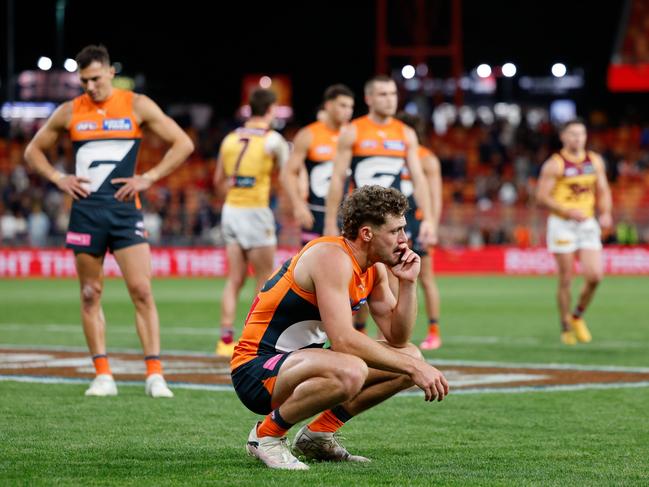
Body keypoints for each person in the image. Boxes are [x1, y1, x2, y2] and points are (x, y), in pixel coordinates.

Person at [231, 185, 449, 470]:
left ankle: (318, 434)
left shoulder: (374, 268)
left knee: (410, 355)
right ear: (367, 234)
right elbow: (344, 341)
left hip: (300, 365)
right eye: (395, 231)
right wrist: (414, 370)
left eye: (403, 229)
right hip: (257, 370)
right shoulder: (331, 256)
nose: (404, 239)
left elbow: (398, 337)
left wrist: (408, 283)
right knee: (354, 369)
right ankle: (266, 436)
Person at [24, 44, 194, 397]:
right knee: (90, 293)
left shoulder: (136, 104)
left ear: (110, 73)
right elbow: (32, 151)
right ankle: (102, 374)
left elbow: (182, 143)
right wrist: (58, 179)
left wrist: (148, 177)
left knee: (142, 291)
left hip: (124, 211)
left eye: (96, 78)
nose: (90, 86)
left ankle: (154, 374)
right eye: (84, 80)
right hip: (86, 213)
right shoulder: (70, 111)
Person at [323, 75, 436, 335]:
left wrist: (428, 219)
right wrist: (330, 221)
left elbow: (418, 178)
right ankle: (353, 336)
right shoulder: (353, 131)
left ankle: (387, 339)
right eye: (383, 94)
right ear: (369, 98)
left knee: (395, 275)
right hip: (361, 218)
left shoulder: (405, 133)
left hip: (393, 220)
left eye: (393, 94)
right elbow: (338, 177)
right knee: (357, 275)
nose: (390, 99)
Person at [213, 89, 290, 357]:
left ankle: (225, 340)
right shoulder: (273, 140)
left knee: (234, 279)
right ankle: (255, 339)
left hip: (231, 210)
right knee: (264, 279)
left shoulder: (230, 139)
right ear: (270, 110)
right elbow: (288, 174)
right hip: (256, 211)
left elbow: (218, 181)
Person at [536, 119, 612, 345]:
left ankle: (577, 315)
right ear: (563, 137)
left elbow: (604, 189)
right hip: (562, 224)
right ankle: (566, 326)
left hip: (587, 223)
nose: (577, 138)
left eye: (581, 134)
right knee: (566, 278)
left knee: (595, 275)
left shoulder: (594, 160)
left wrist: (606, 212)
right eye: (572, 134)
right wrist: (567, 211)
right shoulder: (555, 164)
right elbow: (542, 197)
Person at [280, 84, 354, 245]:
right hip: (315, 212)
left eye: (350, 107)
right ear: (328, 105)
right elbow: (288, 173)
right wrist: (298, 205)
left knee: (346, 267)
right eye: (343, 105)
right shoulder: (309, 134)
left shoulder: (353, 134)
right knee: (310, 265)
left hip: (347, 213)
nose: (348, 111)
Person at [395, 112, 443, 350]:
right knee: (390, 276)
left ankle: (434, 331)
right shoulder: (389, 156)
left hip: (417, 220)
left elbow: (435, 196)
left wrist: (431, 223)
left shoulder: (426, 158)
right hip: (396, 221)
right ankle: (396, 332)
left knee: (425, 277)